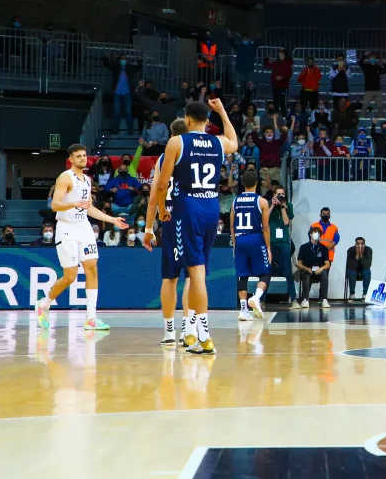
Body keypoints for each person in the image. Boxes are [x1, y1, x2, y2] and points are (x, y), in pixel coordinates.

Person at [149, 98, 239, 354]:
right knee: (199, 272)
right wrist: (223, 111)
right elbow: (234, 142)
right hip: (211, 206)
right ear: (208, 121)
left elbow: (162, 183)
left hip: (187, 207)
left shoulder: (177, 141)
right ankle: (198, 332)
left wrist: (164, 211)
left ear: (187, 120)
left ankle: (203, 333)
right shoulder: (218, 142)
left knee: (195, 273)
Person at [35, 144, 129, 332]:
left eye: (84, 156)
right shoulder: (65, 177)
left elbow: (89, 208)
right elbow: (55, 205)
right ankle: (44, 304)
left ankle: (91, 318)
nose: (82, 159)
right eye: (78, 156)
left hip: (83, 227)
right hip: (67, 229)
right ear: (71, 159)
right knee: (70, 277)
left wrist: (112, 219)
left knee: (92, 268)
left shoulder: (87, 180)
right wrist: (73, 203)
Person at [142, 118, 195, 345]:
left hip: (168, 219)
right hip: (189, 217)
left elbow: (154, 196)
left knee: (169, 277)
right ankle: (187, 329)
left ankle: (169, 331)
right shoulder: (192, 154)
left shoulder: (163, 159)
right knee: (193, 276)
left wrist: (148, 228)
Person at [231, 170, 272, 321]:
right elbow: (266, 227)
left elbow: (232, 226)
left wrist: (235, 244)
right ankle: (257, 297)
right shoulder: (261, 201)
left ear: (242, 183)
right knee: (266, 272)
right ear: (256, 183)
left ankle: (243, 310)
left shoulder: (235, 201)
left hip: (240, 239)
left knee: (242, 274)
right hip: (255, 238)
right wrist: (268, 247)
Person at [266, 185, 297, 308]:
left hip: (284, 242)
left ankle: (294, 298)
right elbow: (264, 218)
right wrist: (273, 205)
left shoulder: (288, 206)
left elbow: (286, 222)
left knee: (287, 271)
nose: (281, 196)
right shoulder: (268, 204)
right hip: (271, 242)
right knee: (267, 271)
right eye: (278, 194)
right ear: (274, 194)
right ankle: (262, 299)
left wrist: (283, 207)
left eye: (282, 194)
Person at [102, 52, 140, 133]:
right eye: (122, 58)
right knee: (116, 111)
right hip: (117, 92)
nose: (124, 60)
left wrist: (140, 59)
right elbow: (107, 65)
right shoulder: (115, 66)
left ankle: (130, 129)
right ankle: (115, 128)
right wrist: (106, 57)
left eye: (125, 58)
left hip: (127, 92)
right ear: (119, 60)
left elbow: (138, 67)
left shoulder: (130, 67)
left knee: (128, 111)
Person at [296, 228, 330, 309]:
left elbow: (327, 264)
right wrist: (306, 268)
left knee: (324, 274)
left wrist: (321, 269)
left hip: (319, 270)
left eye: (318, 233)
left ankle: (324, 299)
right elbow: (299, 264)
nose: (316, 234)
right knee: (306, 275)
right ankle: (305, 299)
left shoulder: (323, 248)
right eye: (315, 232)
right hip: (307, 270)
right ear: (310, 234)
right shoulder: (304, 247)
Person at [345, 237, 373, 302]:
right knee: (351, 273)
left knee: (367, 272)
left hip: (363, 269)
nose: (359, 245)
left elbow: (367, 266)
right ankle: (352, 294)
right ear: (355, 244)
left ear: (364, 244)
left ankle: (365, 294)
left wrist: (361, 255)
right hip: (353, 269)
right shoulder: (351, 250)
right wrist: (357, 255)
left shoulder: (368, 250)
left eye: (362, 243)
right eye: (358, 244)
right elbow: (351, 266)